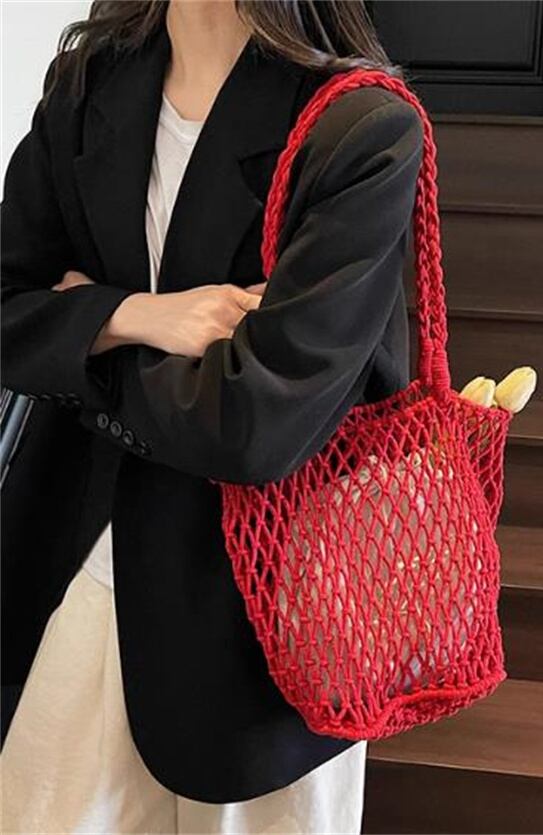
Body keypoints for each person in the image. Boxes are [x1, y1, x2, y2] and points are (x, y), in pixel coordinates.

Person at [0, 0, 423, 831]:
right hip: (81, 559)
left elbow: (252, 426)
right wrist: (139, 316)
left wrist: (82, 333)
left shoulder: (360, 128)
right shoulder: (88, 86)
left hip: (273, 616)